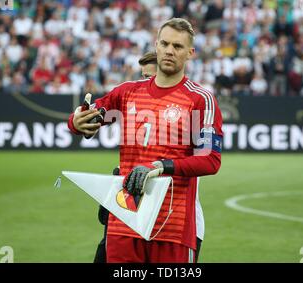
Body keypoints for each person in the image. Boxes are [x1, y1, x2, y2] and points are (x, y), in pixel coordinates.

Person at [68, 18, 222, 263]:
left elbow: (211, 161)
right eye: (165, 43)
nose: (170, 50)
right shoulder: (126, 92)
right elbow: (84, 118)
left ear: (190, 53)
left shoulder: (200, 100)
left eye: (178, 46)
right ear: (156, 45)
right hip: (125, 222)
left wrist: (161, 166)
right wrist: (76, 122)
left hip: (173, 227)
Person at [92, 51, 206, 263]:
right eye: (143, 76)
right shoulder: (133, 98)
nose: (146, 82)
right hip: (128, 216)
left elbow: (207, 160)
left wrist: (161, 166)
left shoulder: (189, 104)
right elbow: (88, 115)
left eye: (150, 77)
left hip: (175, 220)